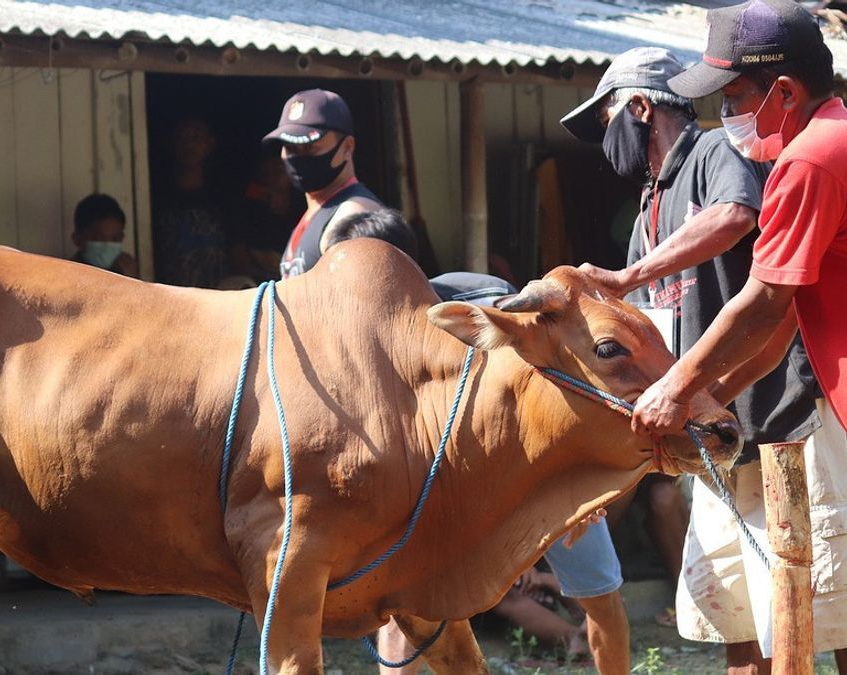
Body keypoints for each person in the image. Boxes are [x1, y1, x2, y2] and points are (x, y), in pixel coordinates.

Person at [563, 44, 847, 672]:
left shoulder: (716, 152)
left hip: (784, 412)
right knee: (734, 608)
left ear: (638, 108)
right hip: (714, 430)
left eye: (606, 123)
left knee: (831, 602)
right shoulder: (648, 213)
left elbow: (736, 215)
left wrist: (631, 274)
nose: (606, 142)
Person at [325, 208, 632, 675]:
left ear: (391, 266)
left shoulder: (478, 301)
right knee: (403, 595)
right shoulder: (356, 338)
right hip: (460, 482)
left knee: (600, 597)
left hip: (548, 465)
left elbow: (568, 390)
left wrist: (584, 481)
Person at [263, 89, 383, 279]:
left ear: (347, 147)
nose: (298, 157)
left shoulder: (352, 213)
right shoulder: (316, 209)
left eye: (310, 147)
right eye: (290, 148)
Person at [153, 117, 228, 288]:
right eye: (182, 137)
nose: (189, 144)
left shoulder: (222, 197)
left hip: (219, 298)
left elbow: (237, 253)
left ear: (209, 144)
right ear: (171, 144)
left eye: (196, 137)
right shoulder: (158, 196)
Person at [70, 193, 138, 277]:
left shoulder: (124, 271)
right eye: (98, 239)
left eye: (115, 239)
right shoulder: (66, 275)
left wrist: (132, 280)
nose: (107, 246)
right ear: (77, 239)